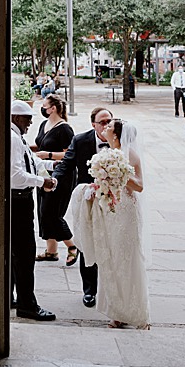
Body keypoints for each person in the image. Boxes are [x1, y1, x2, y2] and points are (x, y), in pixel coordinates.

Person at [65, 118, 150, 330]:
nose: (105, 127)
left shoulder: (128, 154)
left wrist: (120, 174)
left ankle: (131, 311)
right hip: (110, 212)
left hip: (125, 212)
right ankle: (116, 310)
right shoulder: (107, 154)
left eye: (109, 126)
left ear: (116, 134)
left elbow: (139, 186)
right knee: (110, 260)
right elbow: (104, 183)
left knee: (125, 260)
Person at [54, 106, 112, 307]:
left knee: (112, 245)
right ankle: (90, 290)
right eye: (102, 122)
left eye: (109, 121)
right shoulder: (80, 140)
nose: (107, 125)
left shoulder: (120, 138)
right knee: (88, 243)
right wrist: (53, 180)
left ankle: (112, 289)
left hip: (114, 201)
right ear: (93, 124)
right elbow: (67, 164)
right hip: (88, 200)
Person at [9, 99, 57, 322]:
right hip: (18, 201)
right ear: (16, 118)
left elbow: (32, 161)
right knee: (25, 254)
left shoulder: (18, 137)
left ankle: (11, 297)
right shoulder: (12, 138)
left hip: (22, 199)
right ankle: (27, 305)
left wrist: (49, 170)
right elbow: (15, 175)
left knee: (16, 253)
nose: (29, 124)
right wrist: (42, 182)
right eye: (27, 119)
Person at [31, 94, 76, 264]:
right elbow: (41, 145)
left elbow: (69, 153)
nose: (42, 109)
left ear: (53, 108)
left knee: (52, 213)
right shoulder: (44, 124)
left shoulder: (64, 129)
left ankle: (71, 246)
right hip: (43, 172)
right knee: (43, 212)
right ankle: (51, 251)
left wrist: (48, 155)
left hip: (61, 175)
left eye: (44, 105)